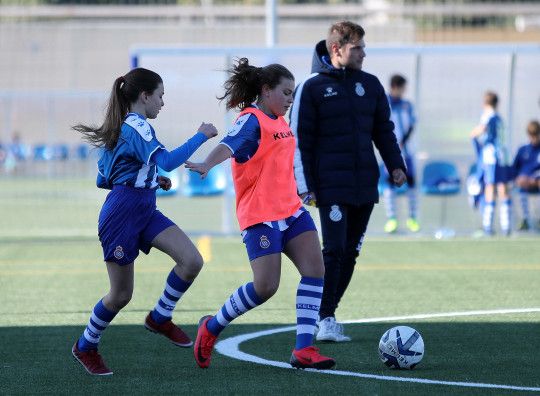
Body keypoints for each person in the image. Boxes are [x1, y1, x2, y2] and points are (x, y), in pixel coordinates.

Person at [185, 58, 336, 370]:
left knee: (315, 270)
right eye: (286, 92)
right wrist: (205, 164)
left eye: (293, 93)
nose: (290, 99)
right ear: (266, 91)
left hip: (291, 211)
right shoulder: (251, 120)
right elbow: (229, 145)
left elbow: (285, 162)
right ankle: (211, 327)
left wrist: (304, 190)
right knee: (265, 286)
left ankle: (303, 349)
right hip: (260, 216)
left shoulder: (281, 121)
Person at [71, 67, 218, 376]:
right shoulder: (136, 126)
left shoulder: (125, 127)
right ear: (145, 96)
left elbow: (104, 177)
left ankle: (160, 317)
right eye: (160, 96)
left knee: (191, 260)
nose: (162, 103)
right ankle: (86, 345)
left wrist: (151, 180)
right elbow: (165, 160)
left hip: (143, 208)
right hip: (123, 215)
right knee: (120, 295)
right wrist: (201, 136)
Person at [290, 21, 406, 342]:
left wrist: (396, 165)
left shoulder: (370, 85)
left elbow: (384, 131)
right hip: (329, 185)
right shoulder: (311, 87)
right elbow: (299, 139)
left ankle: (327, 311)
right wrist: (305, 184)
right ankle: (324, 317)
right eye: (358, 48)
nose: (363, 54)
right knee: (335, 250)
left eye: (363, 47)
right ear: (337, 49)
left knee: (351, 252)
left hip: (365, 185)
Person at [470, 91, 512, 236]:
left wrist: (473, 134)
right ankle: (506, 226)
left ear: (485, 103)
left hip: (491, 157)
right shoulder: (500, 118)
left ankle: (488, 226)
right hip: (502, 156)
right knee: (503, 188)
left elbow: (481, 129)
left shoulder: (488, 116)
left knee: (490, 188)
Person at [382, 74, 419, 234]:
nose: (404, 91)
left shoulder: (407, 105)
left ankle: (412, 218)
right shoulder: (384, 104)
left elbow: (412, 125)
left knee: (411, 183)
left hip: (407, 152)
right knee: (390, 184)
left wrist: (403, 141)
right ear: (395, 87)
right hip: (389, 153)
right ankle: (392, 219)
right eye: (403, 87)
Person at [512, 120, 540, 230]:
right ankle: (525, 220)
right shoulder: (522, 150)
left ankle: (538, 219)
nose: (534, 138)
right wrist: (518, 178)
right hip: (525, 183)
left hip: (537, 182)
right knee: (520, 184)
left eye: (536, 134)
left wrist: (535, 178)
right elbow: (514, 169)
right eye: (532, 135)